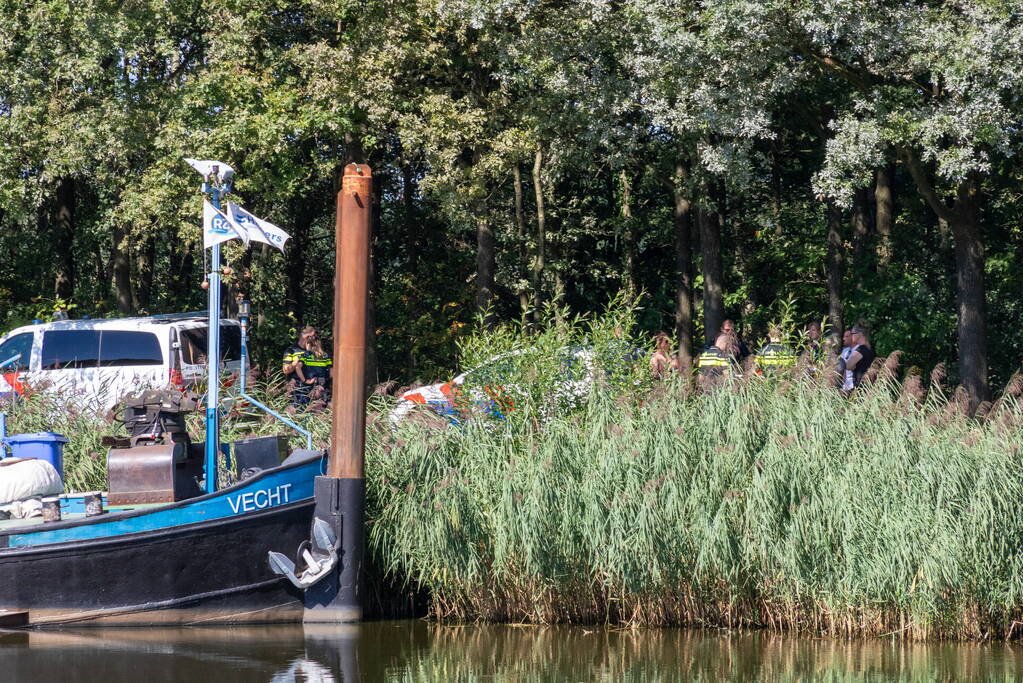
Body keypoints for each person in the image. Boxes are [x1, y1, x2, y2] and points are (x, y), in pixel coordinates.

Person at [282, 326, 333, 408]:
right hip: (298, 389)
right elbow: (286, 370)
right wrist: (299, 360)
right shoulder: (292, 350)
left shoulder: (319, 352)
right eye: (310, 336)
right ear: (304, 336)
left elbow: (329, 371)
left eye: (314, 337)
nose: (312, 339)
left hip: (317, 389)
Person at [845, 324, 876, 389]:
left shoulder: (861, 349)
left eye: (852, 333)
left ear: (859, 335)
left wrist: (854, 366)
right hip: (870, 385)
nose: (851, 336)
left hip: (861, 387)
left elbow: (848, 365)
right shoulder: (870, 347)